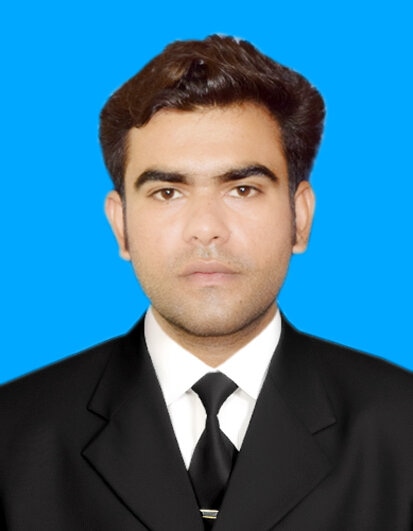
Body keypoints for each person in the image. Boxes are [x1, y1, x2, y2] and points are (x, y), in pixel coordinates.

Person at [1, 35, 413, 531]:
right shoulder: (12, 435)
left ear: (300, 217)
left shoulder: (403, 427)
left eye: (243, 189)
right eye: (167, 192)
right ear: (121, 225)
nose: (206, 228)